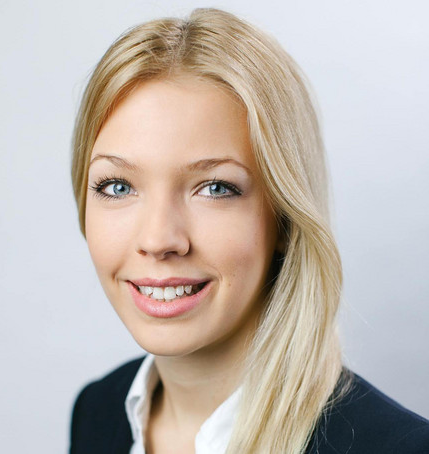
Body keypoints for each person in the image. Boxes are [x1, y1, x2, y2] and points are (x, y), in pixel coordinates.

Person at [69, 7, 429, 454]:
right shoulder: (97, 411)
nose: (159, 239)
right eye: (118, 185)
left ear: (285, 216)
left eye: (215, 187)